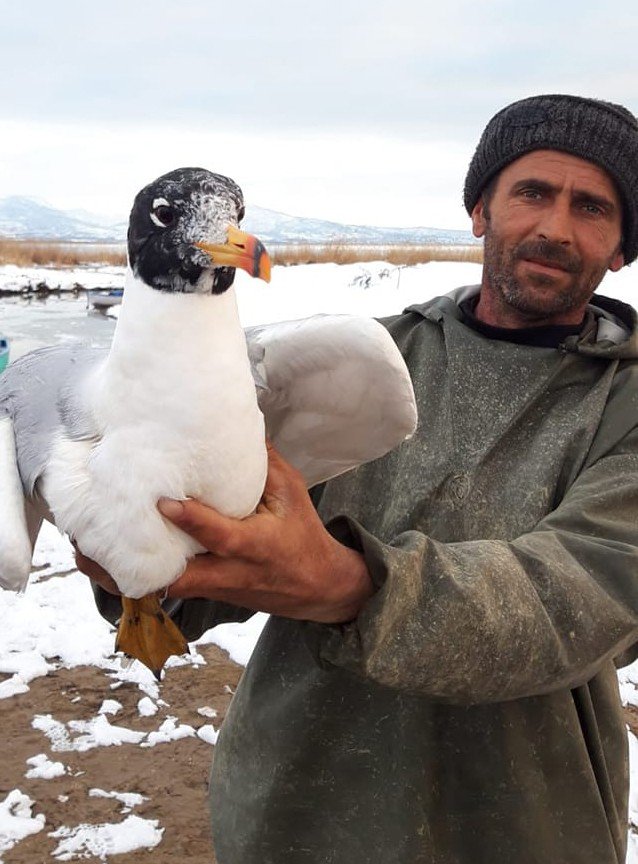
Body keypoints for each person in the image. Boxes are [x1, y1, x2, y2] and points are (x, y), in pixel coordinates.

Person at [82, 94, 638, 864]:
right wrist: (149, 560)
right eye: (532, 192)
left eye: (592, 207)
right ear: (480, 211)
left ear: (622, 247)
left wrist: (349, 585)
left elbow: (581, 601)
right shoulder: (363, 361)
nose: (555, 227)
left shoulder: (623, 406)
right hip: (297, 816)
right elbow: (228, 543)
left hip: (523, 828)